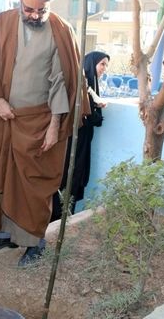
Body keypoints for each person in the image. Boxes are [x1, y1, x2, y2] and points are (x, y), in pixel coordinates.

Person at [0, 0, 88, 267]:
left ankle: (34, 241)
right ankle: (3, 234)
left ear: (48, 6)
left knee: (33, 185)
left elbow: (63, 81)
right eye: (29, 9)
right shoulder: (2, 23)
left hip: (38, 122)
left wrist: (55, 126)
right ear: (20, 2)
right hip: (2, 118)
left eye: (40, 10)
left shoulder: (61, 30)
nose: (34, 15)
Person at [51, 51, 110, 221]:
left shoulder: (90, 85)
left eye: (106, 65)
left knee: (75, 177)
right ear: (92, 64)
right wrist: (97, 108)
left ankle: (64, 215)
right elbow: (92, 118)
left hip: (82, 140)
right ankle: (58, 217)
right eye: (102, 64)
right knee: (69, 176)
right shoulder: (82, 85)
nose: (104, 69)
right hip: (74, 141)